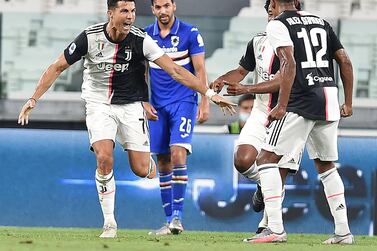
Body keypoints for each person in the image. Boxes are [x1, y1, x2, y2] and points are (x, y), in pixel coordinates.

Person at [17, 0, 235, 239]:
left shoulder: (141, 40)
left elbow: (175, 70)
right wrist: (33, 99)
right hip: (99, 104)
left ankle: (148, 163)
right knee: (104, 157)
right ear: (110, 13)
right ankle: (109, 223)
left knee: (141, 170)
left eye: (132, 11)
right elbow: (57, 66)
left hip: (131, 107)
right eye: (124, 11)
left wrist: (210, 95)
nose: (130, 16)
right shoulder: (89, 38)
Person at [249, 0, 354, 244]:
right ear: (297, 1)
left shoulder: (278, 24)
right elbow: (345, 61)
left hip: (301, 100)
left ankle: (274, 229)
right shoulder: (321, 21)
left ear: (274, 3)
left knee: (266, 159)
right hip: (329, 97)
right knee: (326, 165)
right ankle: (343, 232)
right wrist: (348, 102)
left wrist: (281, 105)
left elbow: (289, 63)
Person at [211, 0, 303, 237]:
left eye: (276, 9)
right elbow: (242, 71)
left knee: (278, 172)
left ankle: (268, 226)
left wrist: (246, 90)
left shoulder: (298, 44)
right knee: (242, 160)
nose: (272, 13)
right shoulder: (258, 41)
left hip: (290, 113)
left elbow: (285, 80)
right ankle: (263, 184)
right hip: (262, 112)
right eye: (269, 10)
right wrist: (223, 78)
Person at [145, 0, 210, 236]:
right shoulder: (146, 36)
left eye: (166, 5)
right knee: (162, 160)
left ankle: (177, 217)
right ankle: (168, 220)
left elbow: (200, 69)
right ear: (153, 9)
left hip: (184, 102)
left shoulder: (190, 33)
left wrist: (205, 101)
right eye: (158, 7)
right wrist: (144, 101)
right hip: (157, 106)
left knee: (177, 152)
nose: (163, 11)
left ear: (174, 6)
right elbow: (142, 72)